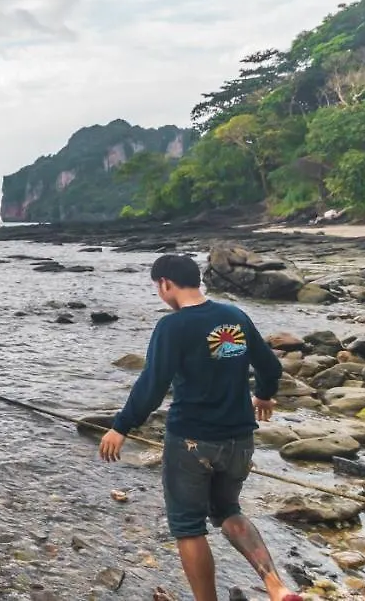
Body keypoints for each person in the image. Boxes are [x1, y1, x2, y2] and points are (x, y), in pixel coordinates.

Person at [98, 254, 299, 601]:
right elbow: (269, 365)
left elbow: (153, 384)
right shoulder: (234, 317)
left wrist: (121, 426)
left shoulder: (172, 326)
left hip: (192, 441)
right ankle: (276, 586)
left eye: (157, 288)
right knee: (228, 511)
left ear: (165, 284)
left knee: (189, 528)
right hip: (239, 438)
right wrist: (264, 395)